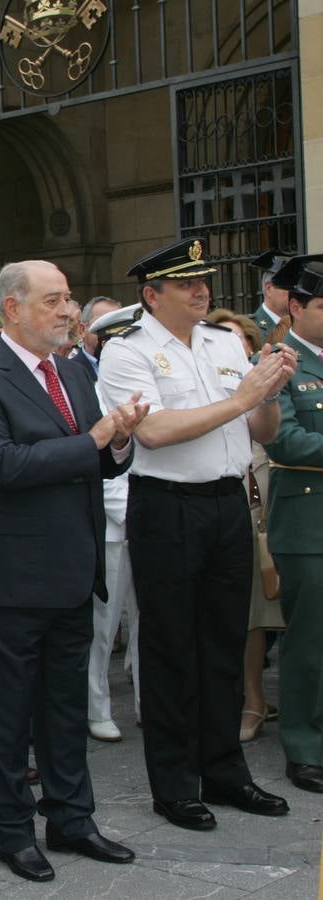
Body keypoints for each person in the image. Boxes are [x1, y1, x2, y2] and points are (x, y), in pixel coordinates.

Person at [0, 260, 143, 884]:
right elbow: (5, 465)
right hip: (6, 581)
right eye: (54, 301)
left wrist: (119, 442)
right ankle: (9, 829)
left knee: (63, 710)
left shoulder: (70, 371)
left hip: (70, 572)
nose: (69, 311)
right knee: (3, 718)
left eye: (69, 300)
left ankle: (71, 818)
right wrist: (93, 441)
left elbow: (100, 461)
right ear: (12, 308)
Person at [97, 237, 296, 831]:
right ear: (151, 295)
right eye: (186, 284)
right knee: (170, 649)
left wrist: (268, 396)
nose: (201, 291)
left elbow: (260, 424)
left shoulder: (222, 340)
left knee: (223, 641)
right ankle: (175, 781)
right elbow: (154, 432)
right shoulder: (125, 353)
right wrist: (243, 397)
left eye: (203, 281)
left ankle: (225, 770)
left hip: (226, 503)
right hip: (168, 507)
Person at [206, 308, 287, 743]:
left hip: (281, 489)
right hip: (243, 492)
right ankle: (252, 700)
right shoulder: (211, 380)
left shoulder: (267, 376)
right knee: (253, 611)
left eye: (237, 340)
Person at [262, 254, 323, 794]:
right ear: (296, 306)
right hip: (308, 523)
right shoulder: (281, 361)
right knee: (310, 640)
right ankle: (305, 744)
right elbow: (284, 440)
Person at [83, 303, 145, 743]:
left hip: (151, 519)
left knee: (148, 620)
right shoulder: (92, 390)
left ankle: (147, 699)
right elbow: (100, 465)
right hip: (114, 522)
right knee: (103, 626)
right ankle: (97, 705)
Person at [250, 250, 291, 337]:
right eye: (288, 287)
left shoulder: (302, 327)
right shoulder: (250, 330)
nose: (295, 294)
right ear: (269, 289)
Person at [77, 296, 120, 377]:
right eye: (102, 325)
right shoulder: (69, 371)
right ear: (82, 330)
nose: (110, 332)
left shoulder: (133, 366)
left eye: (116, 325)